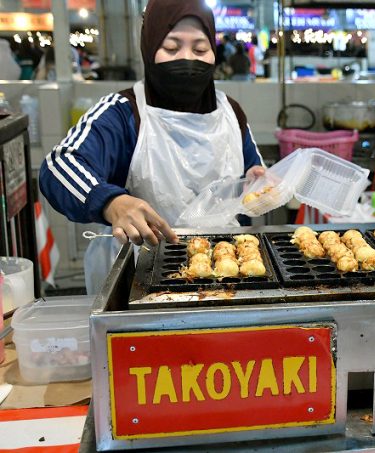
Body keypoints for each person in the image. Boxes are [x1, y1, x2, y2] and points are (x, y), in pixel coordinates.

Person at [39, 0, 265, 294]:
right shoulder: (122, 113)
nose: (187, 60)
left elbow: (252, 170)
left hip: (228, 280)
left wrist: (260, 180)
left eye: (199, 49)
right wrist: (112, 203)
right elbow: (59, 165)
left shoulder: (229, 113)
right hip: (140, 282)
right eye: (171, 49)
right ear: (149, 48)